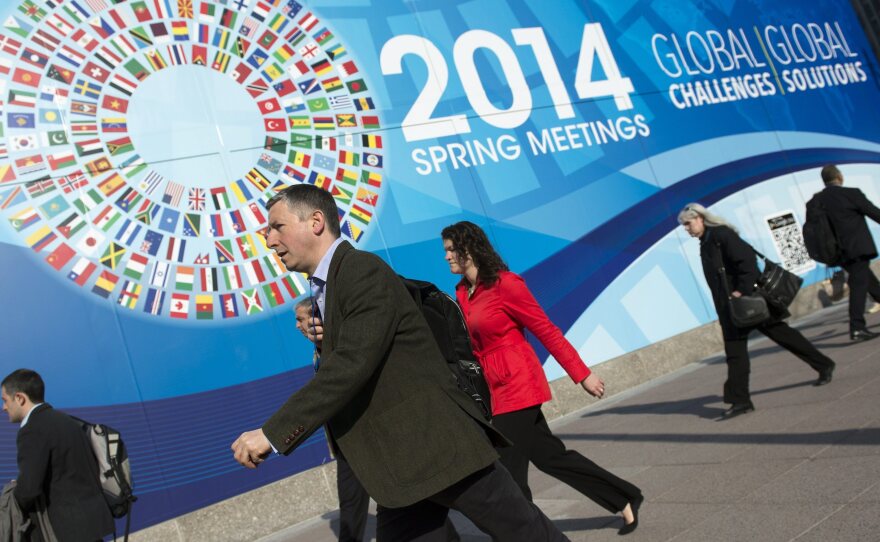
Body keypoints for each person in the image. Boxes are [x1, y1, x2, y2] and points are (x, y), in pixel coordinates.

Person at [232, 185, 567, 541]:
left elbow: (349, 366)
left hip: (440, 450)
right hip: (400, 466)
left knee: (529, 534)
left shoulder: (361, 270)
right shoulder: (329, 286)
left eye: (276, 227)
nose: (269, 240)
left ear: (315, 222)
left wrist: (273, 433)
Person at [440, 221, 644, 536]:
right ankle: (623, 496)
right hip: (495, 390)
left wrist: (582, 374)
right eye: (446, 251)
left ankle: (525, 534)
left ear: (470, 248)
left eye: (452, 250)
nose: (447, 257)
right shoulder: (462, 293)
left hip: (519, 384)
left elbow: (545, 329)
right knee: (551, 457)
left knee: (507, 473)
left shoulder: (505, 285)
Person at [678, 203, 837, 419]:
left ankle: (823, 364)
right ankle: (740, 400)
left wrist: (740, 292)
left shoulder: (721, 235)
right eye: (684, 225)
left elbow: (747, 262)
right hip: (732, 309)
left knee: (784, 335)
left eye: (688, 223)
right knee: (735, 354)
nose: (686, 228)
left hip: (748, 302)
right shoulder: (705, 243)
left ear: (700, 218)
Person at [1, 369, 115, 541]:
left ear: (20, 398)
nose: (4, 407)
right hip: (91, 523)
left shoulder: (31, 431)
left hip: (66, 530)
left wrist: (15, 493)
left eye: (5, 400)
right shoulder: (67, 421)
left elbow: (29, 489)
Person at [814, 165, 880, 341]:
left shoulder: (817, 201)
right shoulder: (851, 194)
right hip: (857, 248)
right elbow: (874, 213)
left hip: (837, 254)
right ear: (839, 176)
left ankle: (858, 326)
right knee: (859, 286)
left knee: (868, 280)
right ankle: (857, 327)